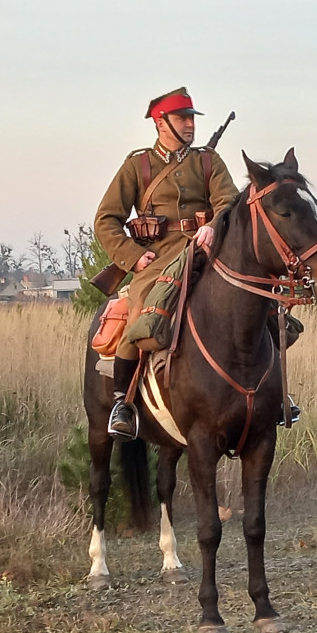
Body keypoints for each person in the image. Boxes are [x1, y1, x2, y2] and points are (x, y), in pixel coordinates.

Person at [94, 87, 239, 439]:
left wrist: (211, 227)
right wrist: (132, 256)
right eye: (181, 118)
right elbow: (106, 220)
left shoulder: (208, 161)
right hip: (157, 260)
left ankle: (274, 395)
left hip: (206, 252)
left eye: (191, 118)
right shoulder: (138, 164)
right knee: (140, 313)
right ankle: (123, 404)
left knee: (254, 303)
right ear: (161, 123)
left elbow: (229, 201)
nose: (189, 125)